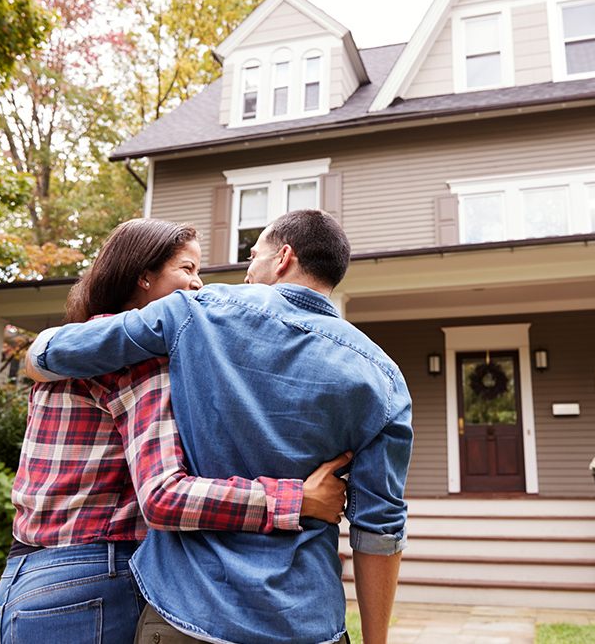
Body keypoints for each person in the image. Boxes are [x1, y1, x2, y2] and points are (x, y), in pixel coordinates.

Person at [27, 209, 412, 644]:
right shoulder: (384, 377)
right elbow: (379, 529)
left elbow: (55, 352)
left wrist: (36, 354)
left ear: (282, 258)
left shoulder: (195, 312)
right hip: (306, 620)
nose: (246, 273)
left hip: (189, 613)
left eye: (253, 256)